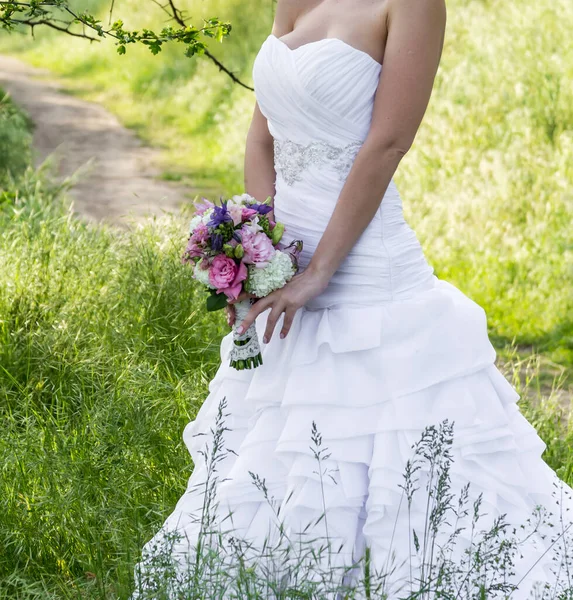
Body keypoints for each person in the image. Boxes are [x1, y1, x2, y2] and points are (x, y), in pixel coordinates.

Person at [132, 0, 572, 597]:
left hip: (368, 272)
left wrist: (319, 273)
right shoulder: (292, 1)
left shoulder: (412, 5)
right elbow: (263, 137)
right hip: (285, 269)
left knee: (394, 452)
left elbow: (388, 143)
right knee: (284, 450)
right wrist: (263, 247)